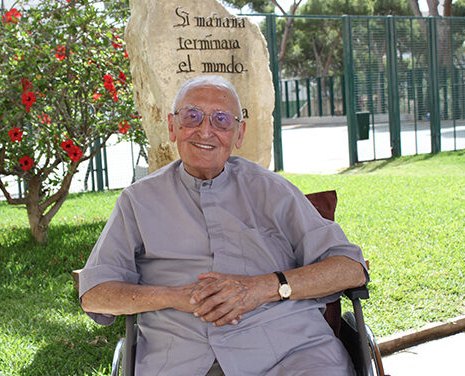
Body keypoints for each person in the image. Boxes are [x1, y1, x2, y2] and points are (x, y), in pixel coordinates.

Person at [79, 75, 368, 376]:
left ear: (239, 133)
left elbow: (350, 267)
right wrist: (174, 296)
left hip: (290, 353)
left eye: (221, 120)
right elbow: (95, 293)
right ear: (172, 126)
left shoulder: (273, 191)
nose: (205, 130)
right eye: (192, 116)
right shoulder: (138, 201)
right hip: (181, 360)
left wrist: (264, 287)